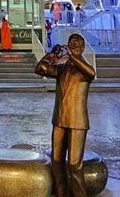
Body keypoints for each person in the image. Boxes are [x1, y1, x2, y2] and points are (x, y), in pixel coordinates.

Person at [34, 33, 95, 197]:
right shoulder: (61, 68)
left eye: (76, 44)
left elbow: (92, 73)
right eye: (70, 43)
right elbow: (40, 69)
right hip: (59, 120)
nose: (72, 45)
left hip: (77, 122)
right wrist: (52, 54)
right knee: (57, 161)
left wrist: (73, 57)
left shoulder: (85, 70)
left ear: (82, 48)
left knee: (75, 165)